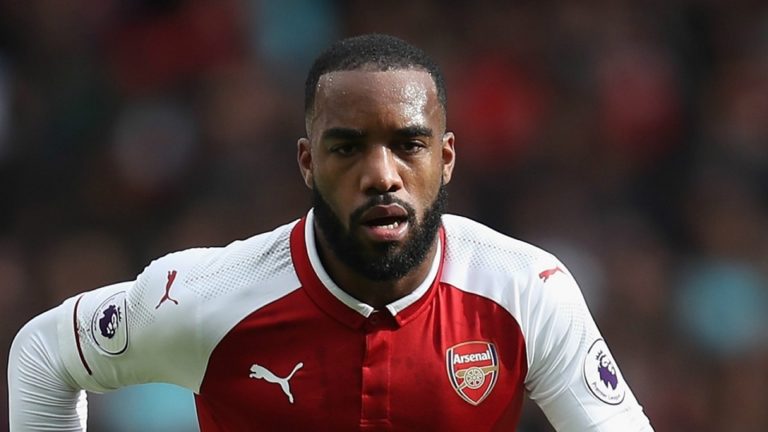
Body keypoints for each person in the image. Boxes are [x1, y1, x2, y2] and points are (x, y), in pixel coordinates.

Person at [8, 34, 653, 431]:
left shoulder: (524, 290)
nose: (382, 175)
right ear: (307, 162)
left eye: (409, 145)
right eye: (347, 148)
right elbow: (42, 356)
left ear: (447, 158)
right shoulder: (202, 298)